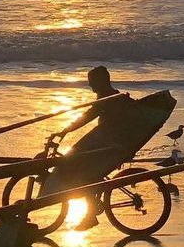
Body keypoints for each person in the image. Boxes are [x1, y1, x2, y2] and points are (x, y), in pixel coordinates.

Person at [46, 65, 136, 230]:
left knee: (81, 171)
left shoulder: (108, 98)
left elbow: (87, 117)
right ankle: (93, 203)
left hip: (109, 146)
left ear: (102, 81)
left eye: (92, 82)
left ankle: (91, 212)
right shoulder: (110, 96)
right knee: (80, 162)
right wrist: (65, 130)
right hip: (106, 143)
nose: (90, 85)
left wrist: (65, 130)